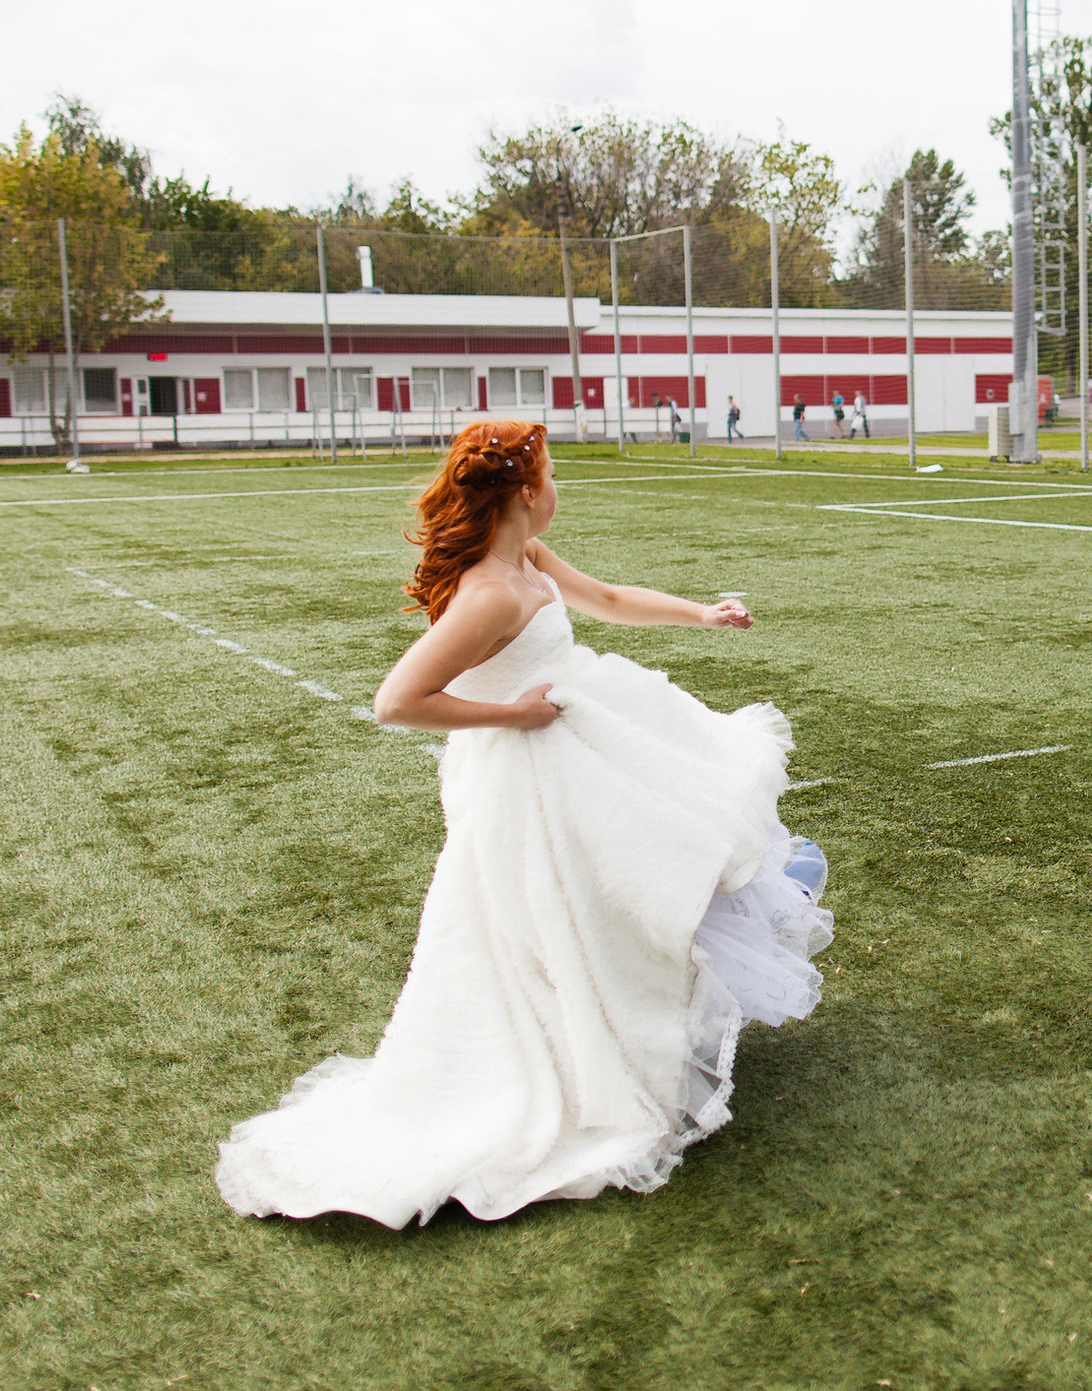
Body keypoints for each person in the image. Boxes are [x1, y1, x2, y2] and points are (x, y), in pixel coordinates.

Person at [215, 424, 830, 1227]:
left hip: (584, 742)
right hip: (531, 767)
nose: (556, 488)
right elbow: (397, 701)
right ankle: (581, 1063)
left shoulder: (527, 563)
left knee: (647, 875)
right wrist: (514, 713)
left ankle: (635, 1022)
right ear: (522, 493)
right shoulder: (489, 594)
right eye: (551, 475)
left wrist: (701, 615)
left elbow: (607, 601)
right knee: (560, 916)